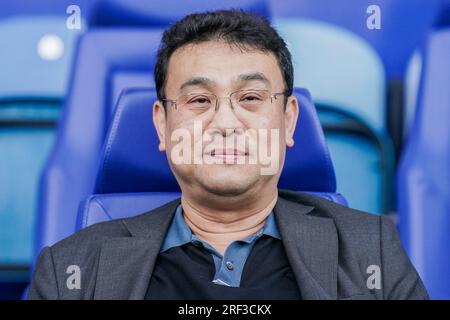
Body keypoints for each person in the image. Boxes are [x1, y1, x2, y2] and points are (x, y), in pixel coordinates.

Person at [28, 10, 428, 300]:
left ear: (289, 121)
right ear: (162, 125)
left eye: (251, 98)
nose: (225, 122)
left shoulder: (369, 251)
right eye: (199, 100)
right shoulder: (72, 270)